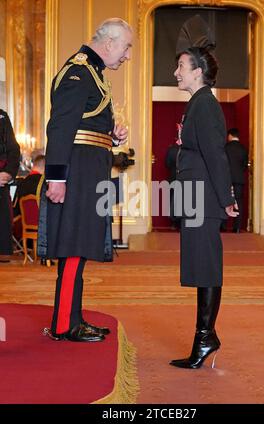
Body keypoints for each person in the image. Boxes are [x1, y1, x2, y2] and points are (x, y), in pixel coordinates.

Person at [40, 18, 133, 342]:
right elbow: (61, 128)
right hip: (76, 174)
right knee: (72, 246)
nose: (127, 55)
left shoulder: (94, 74)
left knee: (79, 246)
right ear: (109, 43)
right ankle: (64, 324)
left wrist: (111, 137)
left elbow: (84, 128)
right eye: (126, 47)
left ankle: (73, 318)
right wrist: (56, 178)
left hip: (87, 171)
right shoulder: (78, 72)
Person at [169, 47, 238, 369]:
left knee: (206, 265)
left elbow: (216, 154)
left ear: (198, 72)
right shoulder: (197, 103)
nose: (176, 72)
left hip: (204, 197)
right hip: (193, 194)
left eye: (181, 66)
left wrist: (227, 198)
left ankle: (205, 336)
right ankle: (204, 336)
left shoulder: (206, 104)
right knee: (199, 265)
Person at [0, 110, 20, 262]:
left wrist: (8, 173)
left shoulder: (2, 116)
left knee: (4, 256)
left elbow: (13, 150)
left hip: (1, 183)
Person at [222, 128, 248, 233]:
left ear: (230, 136)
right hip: (239, 179)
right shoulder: (243, 148)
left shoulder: (225, 147)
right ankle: (237, 227)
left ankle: (222, 226)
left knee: (223, 200)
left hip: (226, 179)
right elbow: (245, 165)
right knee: (239, 202)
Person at [165, 143, 180, 229]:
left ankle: (173, 223)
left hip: (173, 177)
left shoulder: (172, 149)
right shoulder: (190, 149)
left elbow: (167, 163)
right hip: (186, 178)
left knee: (172, 200)